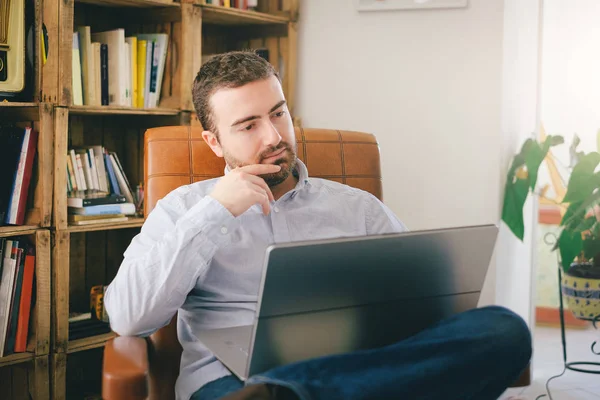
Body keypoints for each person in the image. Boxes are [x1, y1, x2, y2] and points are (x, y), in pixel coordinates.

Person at [104, 50, 532, 400]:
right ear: (214, 142)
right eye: (248, 125)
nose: (273, 136)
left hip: (354, 364)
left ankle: (294, 394)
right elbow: (128, 317)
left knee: (502, 328)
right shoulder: (185, 210)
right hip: (232, 383)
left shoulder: (356, 209)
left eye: (278, 114)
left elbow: (425, 303)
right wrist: (216, 212)